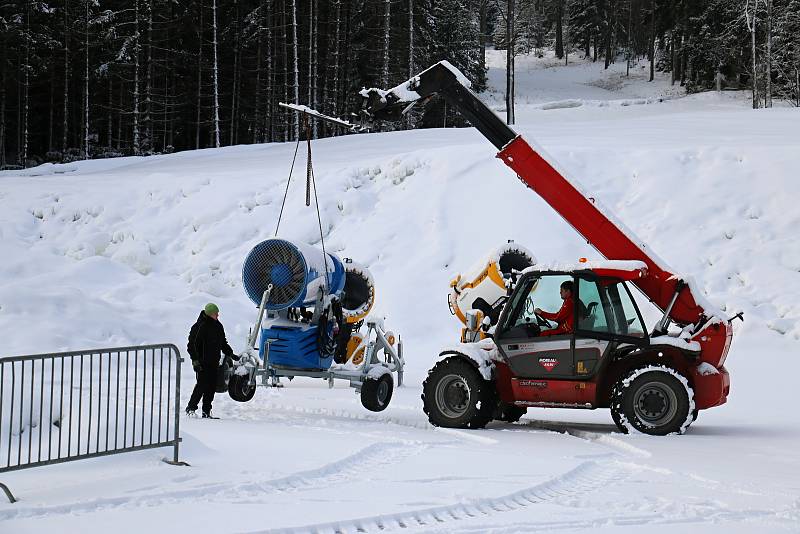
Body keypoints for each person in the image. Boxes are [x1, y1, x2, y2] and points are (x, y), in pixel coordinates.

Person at [186, 303, 236, 418]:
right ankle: (191, 408)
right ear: (209, 314)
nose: (218, 315)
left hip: (214, 362)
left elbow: (223, 343)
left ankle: (206, 412)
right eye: (215, 313)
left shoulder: (218, 326)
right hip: (202, 362)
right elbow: (191, 346)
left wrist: (231, 354)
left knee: (211, 387)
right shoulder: (199, 326)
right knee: (201, 385)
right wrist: (195, 361)